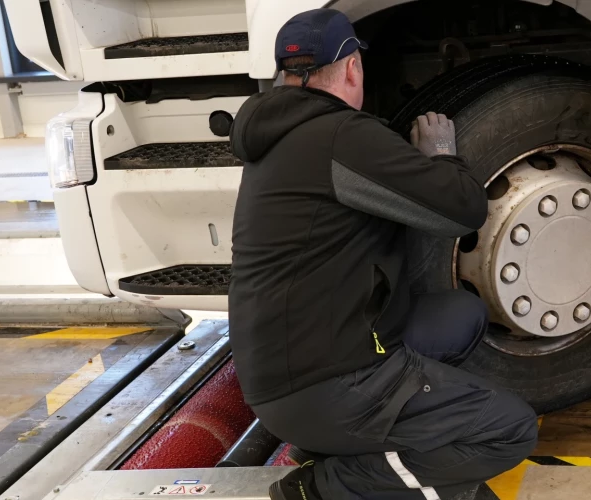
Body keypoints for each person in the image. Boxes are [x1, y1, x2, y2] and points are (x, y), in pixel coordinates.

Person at [227, 8, 539, 500]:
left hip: (286, 373)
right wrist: (442, 155)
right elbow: (462, 212)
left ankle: (341, 446)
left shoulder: (278, 138)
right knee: (510, 430)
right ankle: (325, 486)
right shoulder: (341, 136)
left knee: (459, 315)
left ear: (284, 73)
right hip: (327, 383)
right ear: (352, 67)